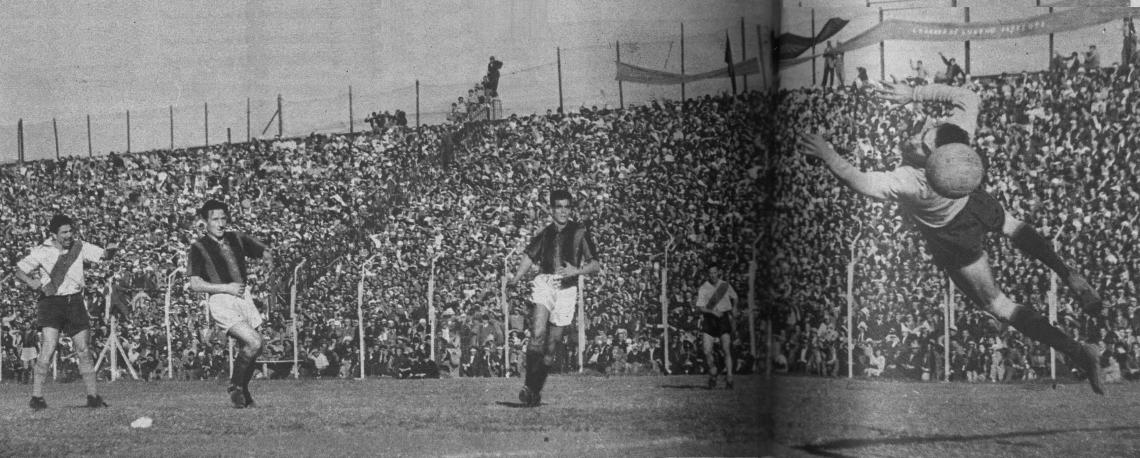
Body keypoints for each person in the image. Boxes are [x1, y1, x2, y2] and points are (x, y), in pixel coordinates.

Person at [797, 82, 1107, 395]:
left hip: (953, 235)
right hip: (975, 200)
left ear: (933, 158)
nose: (916, 133)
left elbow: (860, 181)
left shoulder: (911, 180)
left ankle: (1078, 351)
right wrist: (914, 94)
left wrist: (827, 153)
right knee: (1013, 226)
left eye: (919, 139)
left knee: (999, 305)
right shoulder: (956, 136)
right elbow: (968, 96)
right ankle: (1068, 274)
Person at [506, 189, 601, 407]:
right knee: (538, 333)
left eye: (567, 207)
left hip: (567, 289)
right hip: (545, 283)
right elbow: (529, 256)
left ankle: (534, 390)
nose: (563, 211)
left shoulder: (580, 232)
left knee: (550, 349)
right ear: (551, 210)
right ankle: (528, 386)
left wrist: (575, 271)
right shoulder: (546, 233)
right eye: (559, 207)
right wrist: (516, 278)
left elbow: (595, 264)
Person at [15, 214, 117, 410]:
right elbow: (19, 270)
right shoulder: (42, 251)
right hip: (51, 302)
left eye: (71, 231)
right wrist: (32, 283)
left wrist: (113, 245)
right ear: (53, 234)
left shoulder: (80, 246)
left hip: (75, 301)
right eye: (64, 232)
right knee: (48, 348)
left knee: (84, 350)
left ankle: (93, 396)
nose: (69, 235)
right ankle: (37, 397)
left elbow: (105, 256)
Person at [186, 199, 274, 408]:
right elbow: (195, 284)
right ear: (204, 222)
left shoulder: (237, 238)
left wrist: (268, 260)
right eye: (215, 219)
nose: (220, 223)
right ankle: (236, 387)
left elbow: (264, 250)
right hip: (222, 299)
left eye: (223, 218)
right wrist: (226, 287)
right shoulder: (198, 247)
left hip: (244, 296)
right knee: (253, 341)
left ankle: (243, 391)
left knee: (256, 345)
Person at [694, 263, 738, 389]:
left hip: (723, 320)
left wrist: (734, 308)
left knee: (726, 349)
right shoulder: (704, 288)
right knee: (706, 351)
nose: (712, 275)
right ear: (707, 274)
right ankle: (713, 373)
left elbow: (735, 297)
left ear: (718, 272)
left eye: (714, 272)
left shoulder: (724, 285)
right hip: (709, 320)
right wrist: (712, 311)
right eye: (710, 273)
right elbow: (701, 307)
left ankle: (729, 377)